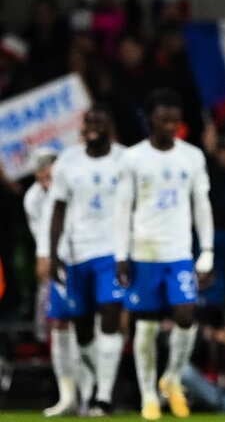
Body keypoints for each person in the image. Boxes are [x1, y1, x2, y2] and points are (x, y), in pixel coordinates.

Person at [115, 89, 214, 420]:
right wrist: (120, 254)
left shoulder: (192, 156)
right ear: (149, 121)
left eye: (175, 120)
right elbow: (122, 209)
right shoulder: (132, 158)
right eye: (164, 120)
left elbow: (201, 205)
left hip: (178, 251)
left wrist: (208, 251)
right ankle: (148, 396)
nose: (171, 126)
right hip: (143, 250)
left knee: (186, 314)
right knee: (146, 326)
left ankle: (171, 378)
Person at [47, 105, 126, 416]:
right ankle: (94, 386)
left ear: (110, 127)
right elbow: (58, 209)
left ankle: (103, 397)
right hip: (77, 252)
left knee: (109, 315)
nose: (92, 126)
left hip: (112, 251)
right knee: (81, 328)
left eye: (99, 121)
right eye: (88, 121)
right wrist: (52, 254)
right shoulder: (68, 161)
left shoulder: (124, 159)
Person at [24, 148, 94, 417]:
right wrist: (47, 258)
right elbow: (41, 233)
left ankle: (92, 394)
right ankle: (67, 396)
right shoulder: (33, 199)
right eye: (40, 171)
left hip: (83, 260)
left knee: (87, 326)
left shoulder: (76, 186)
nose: (46, 175)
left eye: (50, 169)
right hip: (58, 264)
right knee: (59, 326)